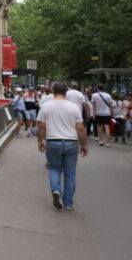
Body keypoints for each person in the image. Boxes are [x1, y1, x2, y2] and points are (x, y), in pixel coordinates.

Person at [37, 82, 88, 211]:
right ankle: (69, 203)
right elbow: (80, 128)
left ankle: (56, 191)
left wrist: (40, 141)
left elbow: (42, 126)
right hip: (71, 143)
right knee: (70, 173)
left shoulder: (46, 106)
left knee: (54, 169)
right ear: (66, 92)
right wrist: (84, 144)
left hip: (53, 142)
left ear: (53, 92)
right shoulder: (74, 107)